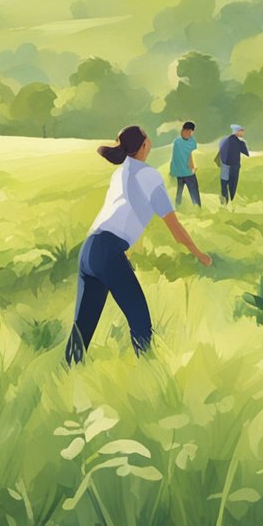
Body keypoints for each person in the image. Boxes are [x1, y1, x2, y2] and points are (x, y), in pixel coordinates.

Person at [66, 126, 211, 365]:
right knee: (140, 323)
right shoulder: (150, 176)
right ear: (144, 145)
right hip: (108, 252)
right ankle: (149, 376)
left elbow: (122, 215)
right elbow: (175, 229)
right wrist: (200, 254)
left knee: (81, 331)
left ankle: (66, 377)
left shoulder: (119, 173)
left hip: (90, 249)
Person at [169, 121, 201, 207]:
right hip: (179, 173)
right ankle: (178, 210)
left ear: (192, 132)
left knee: (194, 195)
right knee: (178, 195)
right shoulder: (177, 142)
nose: (187, 133)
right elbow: (175, 158)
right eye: (186, 131)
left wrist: (194, 167)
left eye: (190, 131)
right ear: (182, 130)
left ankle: (198, 209)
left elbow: (193, 156)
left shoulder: (193, 142)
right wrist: (172, 171)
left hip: (189, 172)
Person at [216, 124, 250, 203]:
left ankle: (224, 201)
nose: (243, 132)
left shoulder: (224, 140)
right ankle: (230, 201)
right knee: (232, 185)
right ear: (237, 131)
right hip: (234, 166)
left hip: (224, 165)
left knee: (224, 184)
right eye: (242, 130)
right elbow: (246, 153)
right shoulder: (239, 142)